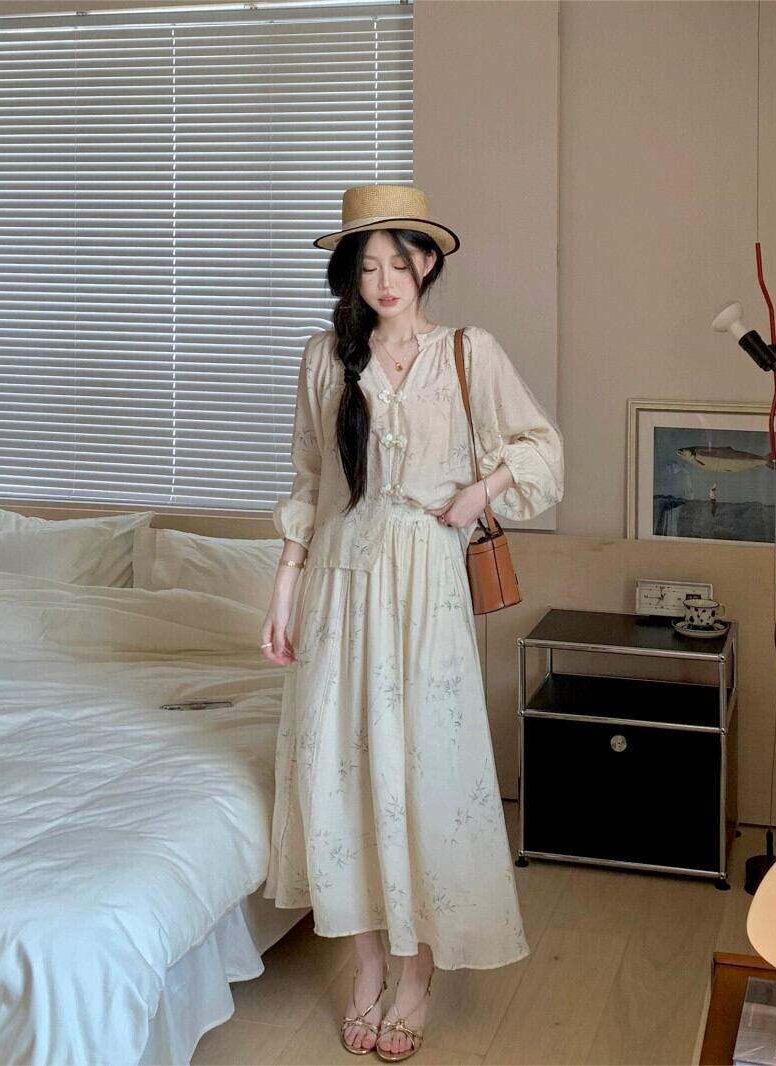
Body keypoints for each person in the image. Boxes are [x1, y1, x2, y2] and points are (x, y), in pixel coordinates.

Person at [260, 184, 564, 1061]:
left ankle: (416, 972)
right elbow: (309, 480)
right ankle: (366, 969)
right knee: (339, 771)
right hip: (339, 582)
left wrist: (479, 491)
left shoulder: (469, 351)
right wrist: (284, 588)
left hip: (426, 584)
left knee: (425, 770)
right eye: (367, 267)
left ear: (427, 262)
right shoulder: (325, 358)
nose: (385, 281)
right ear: (349, 277)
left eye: (399, 262)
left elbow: (541, 450)